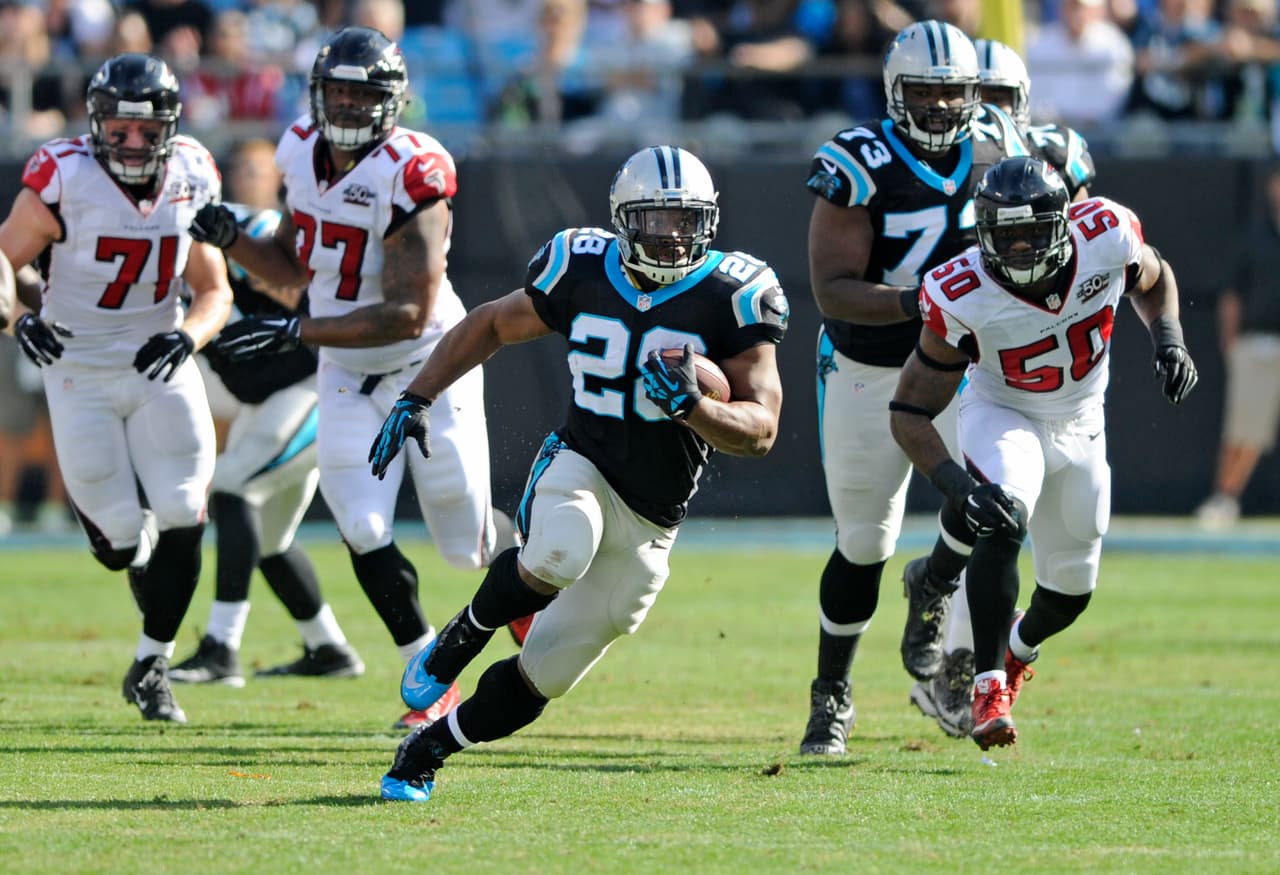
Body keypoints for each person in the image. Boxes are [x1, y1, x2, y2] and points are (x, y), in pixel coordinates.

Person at [372, 144, 788, 803]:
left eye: (687, 221)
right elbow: (488, 326)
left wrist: (697, 407)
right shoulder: (582, 266)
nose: (673, 236)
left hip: (653, 520)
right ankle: (461, 636)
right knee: (562, 546)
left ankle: (429, 747)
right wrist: (416, 394)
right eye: (656, 220)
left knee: (547, 675)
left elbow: (761, 429)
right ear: (624, 221)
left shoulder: (731, 292)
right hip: (581, 463)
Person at [188, 26, 503, 730]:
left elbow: (406, 310)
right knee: (362, 526)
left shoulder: (414, 167)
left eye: (367, 94)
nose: (352, 106)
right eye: (340, 91)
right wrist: (231, 237)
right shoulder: (299, 148)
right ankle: (431, 678)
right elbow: (298, 268)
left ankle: (526, 565)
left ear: (394, 102)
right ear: (317, 94)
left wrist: (297, 329)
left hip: (430, 363)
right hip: (345, 369)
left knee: (466, 546)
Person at [889, 155, 1198, 749]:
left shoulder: (1106, 232)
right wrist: (959, 485)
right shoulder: (964, 292)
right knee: (1003, 513)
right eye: (1008, 236)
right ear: (983, 235)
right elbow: (908, 412)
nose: (1024, 249)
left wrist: (1170, 338)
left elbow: (1156, 279)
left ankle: (1014, 648)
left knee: (1071, 593)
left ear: (1065, 221)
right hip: (1004, 411)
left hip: (1083, 419)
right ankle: (984, 687)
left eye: (1035, 233)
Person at [799, 19, 1028, 756]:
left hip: (960, 362)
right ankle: (832, 691)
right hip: (868, 364)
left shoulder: (999, 144)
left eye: (952, 91)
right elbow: (832, 290)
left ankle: (935, 580)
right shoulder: (859, 160)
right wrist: (924, 300)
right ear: (895, 93)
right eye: (923, 91)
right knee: (864, 542)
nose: (939, 105)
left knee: (993, 494)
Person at [0, 53, 233, 723]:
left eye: (146, 129)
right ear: (97, 123)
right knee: (122, 545)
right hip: (76, 365)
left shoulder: (191, 170)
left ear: (169, 127)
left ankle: (152, 661)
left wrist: (191, 335)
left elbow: (214, 289)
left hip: (159, 357)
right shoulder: (63, 175)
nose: (132, 142)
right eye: (119, 128)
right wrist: (18, 318)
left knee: (188, 511)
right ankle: (132, 550)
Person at [904, 36, 1099, 738]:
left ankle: (974, 652)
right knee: (997, 512)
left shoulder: (1066, 178)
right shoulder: (944, 169)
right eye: (972, 99)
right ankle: (968, 679)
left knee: (1064, 568)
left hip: (1062, 384)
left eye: (998, 101)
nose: (985, 116)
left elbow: (1102, 258)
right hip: (984, 360)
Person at [170, 206, 365, 688]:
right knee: (270, 540)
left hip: (321, 395)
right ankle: (328, 648)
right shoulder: (217, 284)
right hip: (278, 404)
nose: (289, 282)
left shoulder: (283, 260)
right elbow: (247, 386)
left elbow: (270, 376)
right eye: (271, 272)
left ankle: (221, 647)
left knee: (233, 484)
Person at [1195, 163, 1280, 529]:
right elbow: (1232, 295)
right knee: (1245, 429)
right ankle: (1224, 498)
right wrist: (1231, 343)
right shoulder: (1255, 239)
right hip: (1258, 344)